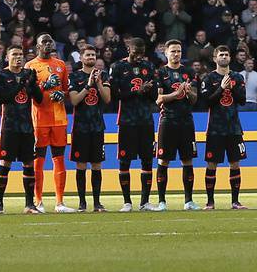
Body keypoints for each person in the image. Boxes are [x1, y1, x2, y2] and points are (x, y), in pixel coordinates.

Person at [109, 36, 156, 211]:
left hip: (145, 120)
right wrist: (137, 91)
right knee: (124, 161)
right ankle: (127, 202)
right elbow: (115, 96)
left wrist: (149, 91)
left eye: (142, 54)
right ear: (129, 49)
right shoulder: (118, 67)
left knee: (147, 161)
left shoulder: (149, 67)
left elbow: (153, 98)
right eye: (136, 53)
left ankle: (144, 202)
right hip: (127, 121)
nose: (139, 57)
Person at [27, 34, 73, 211]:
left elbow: (67, 91)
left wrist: (63, 95)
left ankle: (60, 202)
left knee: (59, 159)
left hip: (59, 119)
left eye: (50, 42)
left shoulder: (60, 65)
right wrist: (43, 86)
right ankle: (38, 201)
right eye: (44, 42)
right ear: (37, 47)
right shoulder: (30, 66)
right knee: (38, 161)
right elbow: (29, 93)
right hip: (39, 120)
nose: (47, 44)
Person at [0, 44, 39, 214]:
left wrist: (33, 85)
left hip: (27, 127)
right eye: (14, 54)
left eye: (20, 54)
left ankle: (29, 204)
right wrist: (21, 85)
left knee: (28, 164)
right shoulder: (1, 75)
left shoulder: (28, 74)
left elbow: (39, 99)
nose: (18, 57)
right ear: (7, 57)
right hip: (9, 127)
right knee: (5, 163)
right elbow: (1, 98)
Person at [199, 47, 248, 210]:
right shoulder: (208, 78)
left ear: (230, 58)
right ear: (215, 58)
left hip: (234, 128)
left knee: (235, 163)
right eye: (221, 55)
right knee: (212, 164)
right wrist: (221, 88)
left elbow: (242, 100)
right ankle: (210, 202)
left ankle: (235, 201)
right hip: (215, 129)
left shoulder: (238, 77)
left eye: (227, 54)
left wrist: (231, 87)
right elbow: (207, 102)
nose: (224, 57)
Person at [153, 39, 199, 211]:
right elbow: (159, 99)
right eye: (173, 51)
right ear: (166, 53)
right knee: (163, 160)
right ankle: (162, 201)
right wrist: (176, 93)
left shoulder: (188, 72)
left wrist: (188, 93)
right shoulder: (160, 72)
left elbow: (195, 99)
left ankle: (188, 201)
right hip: (168, 121)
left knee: (187, 160)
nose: (176, 54)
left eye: (179, 51)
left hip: (186, 121)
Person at [67, 45, 110, 212]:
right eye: (88, 55)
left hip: (97, 126)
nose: (91, 57)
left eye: (93, 54)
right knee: (81, 165)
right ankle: (82, 203)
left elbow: (107, 99)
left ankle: (97, 203)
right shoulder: (75, 76)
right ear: (82, 58)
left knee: (97, 165)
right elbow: (74, 101)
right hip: (80, 127)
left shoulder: (103, 75)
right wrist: (88, 85)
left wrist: (98, 83)